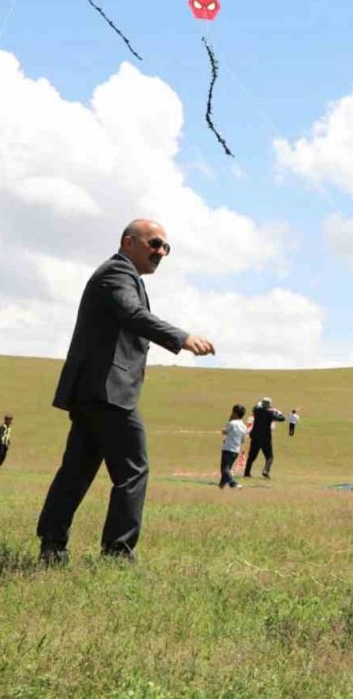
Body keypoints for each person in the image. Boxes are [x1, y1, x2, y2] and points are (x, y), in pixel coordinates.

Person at [36, 219, 215, 565]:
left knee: (76, 472)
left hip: (94, 392)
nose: (160, 252)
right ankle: (117, 554)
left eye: (165, 247)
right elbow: (133, 315)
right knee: (133, 471)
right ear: (128, 241)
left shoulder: (121, 275)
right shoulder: (117, 273)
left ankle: (52, 546)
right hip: (109, 393)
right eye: (154, 244)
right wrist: (182, 338)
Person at [243, 398, 285, 479]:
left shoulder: (256, 410)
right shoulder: (270, 413)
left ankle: (247, 473)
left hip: (255, 436)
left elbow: (256, 407)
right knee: (269, 456)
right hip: (265, 438)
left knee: (252, 456)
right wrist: (278, 412)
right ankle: (265, 470)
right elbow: (282, 418)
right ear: (269, 404)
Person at [219, 404, 248, 489]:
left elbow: (224, 431)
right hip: (236, 450)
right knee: (227, 469)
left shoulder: (232, 423)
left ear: (234, 413)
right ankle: (221, 487)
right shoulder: (244, 426)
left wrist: (230, 419)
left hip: (228, 448)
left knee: (224, 469)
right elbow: (243, 440)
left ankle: (233, 483)